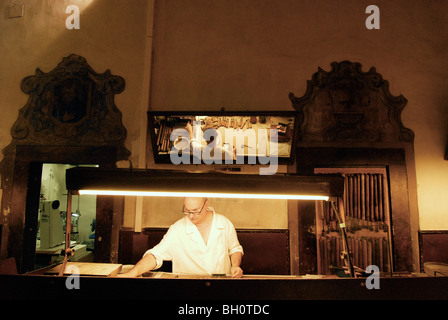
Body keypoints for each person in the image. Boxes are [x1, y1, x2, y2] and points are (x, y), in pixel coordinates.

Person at [117, 197, 244, 278]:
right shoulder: (177, 229)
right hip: (187, 290)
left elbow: (235, 248)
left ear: (206, 204)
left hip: (221, 288)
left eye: (195, 211)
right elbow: (156, 255)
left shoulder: (224, 223)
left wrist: (235, 266)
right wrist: (132, 273)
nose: (191, 216)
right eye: (187, 211)